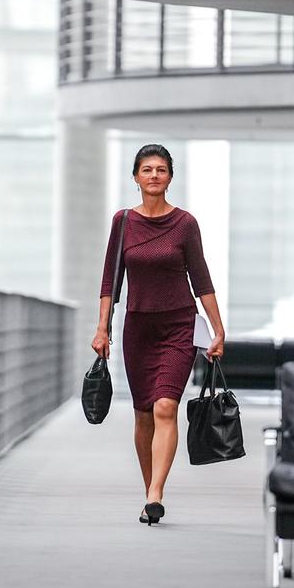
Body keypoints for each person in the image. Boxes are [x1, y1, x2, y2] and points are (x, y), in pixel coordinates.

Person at [90, 143, 226, 526]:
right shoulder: (123, 222)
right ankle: (149, 491)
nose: (154, 176)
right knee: (144, 413)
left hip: (178, 325)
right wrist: (102, 328)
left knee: (167, 406)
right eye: (146, 169)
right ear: (135, 177)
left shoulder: (185, 224)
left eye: (161, 169)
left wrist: (218, 329)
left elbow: (201, 279)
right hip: (138, 327)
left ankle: (156, 493)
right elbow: (110, 281)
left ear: (170, 176)